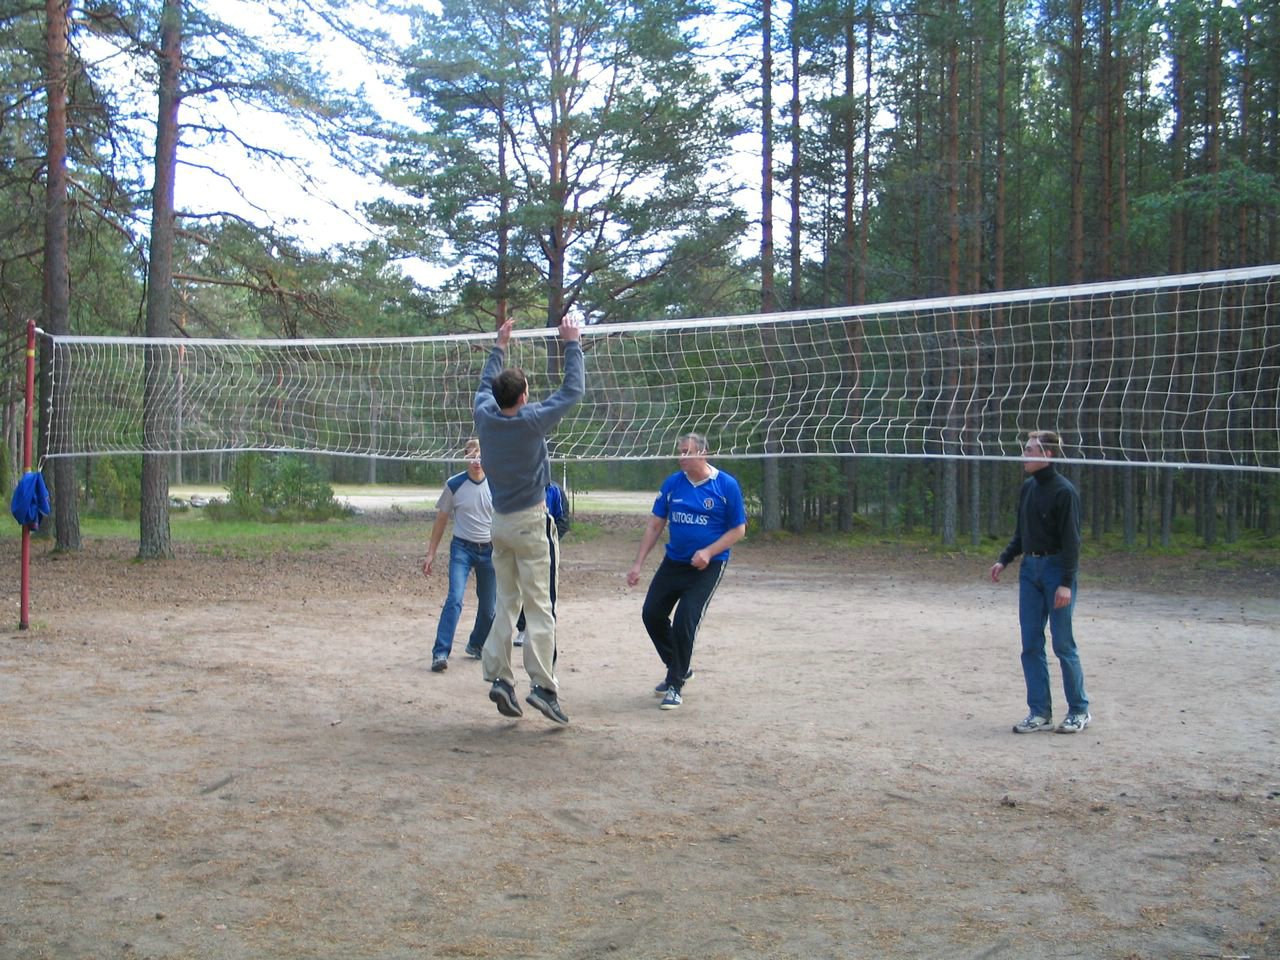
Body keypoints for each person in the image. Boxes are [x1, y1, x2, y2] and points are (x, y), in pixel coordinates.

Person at [474, 314, 585, 725]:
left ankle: (500, 678)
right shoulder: (532, 418)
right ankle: (543, 687)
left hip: (499, 524)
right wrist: (572, 342)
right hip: (531, 523)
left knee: (506, 603)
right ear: (524, 395)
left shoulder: (485, 414)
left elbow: (484, 385)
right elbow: (573, 390)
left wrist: (499, 345)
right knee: (539, 606)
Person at [626, 433, 747, 710]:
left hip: (707, 565)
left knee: (684, 619)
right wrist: (637, 564)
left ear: (703, 452)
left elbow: (738, 530)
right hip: (675, 562)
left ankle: (675, 684)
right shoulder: (673, 484)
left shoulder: (725, 485)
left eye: (686, 452)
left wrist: (709, 552)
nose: (680, 456)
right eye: (679, 451)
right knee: (651, 614)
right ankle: (679, 666)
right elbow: (655, 525)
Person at [990, 430, 1091, 734]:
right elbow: (1022, 533)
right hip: (1030, 569)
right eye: (1025, 448)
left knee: (1063, 644)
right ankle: (1040, 712)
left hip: (1055, 569)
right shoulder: (1028, 489)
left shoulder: (1064, 492)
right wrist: (1004, 559)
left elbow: (1072, 542)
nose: (1024, 455)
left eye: (1030, 450)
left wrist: (1066, 582)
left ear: (1047, 454)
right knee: (1031, 644)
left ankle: (1079, 711)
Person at [421, 439, 495, 673]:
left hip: (490, 550)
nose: (476, 460)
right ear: (465, 458)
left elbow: (506, 518)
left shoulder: (497, 483)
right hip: (462, 549)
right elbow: (441, 520)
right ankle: (440, 653)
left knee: (489, 608)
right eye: (472, 456)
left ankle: (476, 644)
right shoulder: (454, 484)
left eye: (480, 455)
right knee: (454, 598)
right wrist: (431, 553)